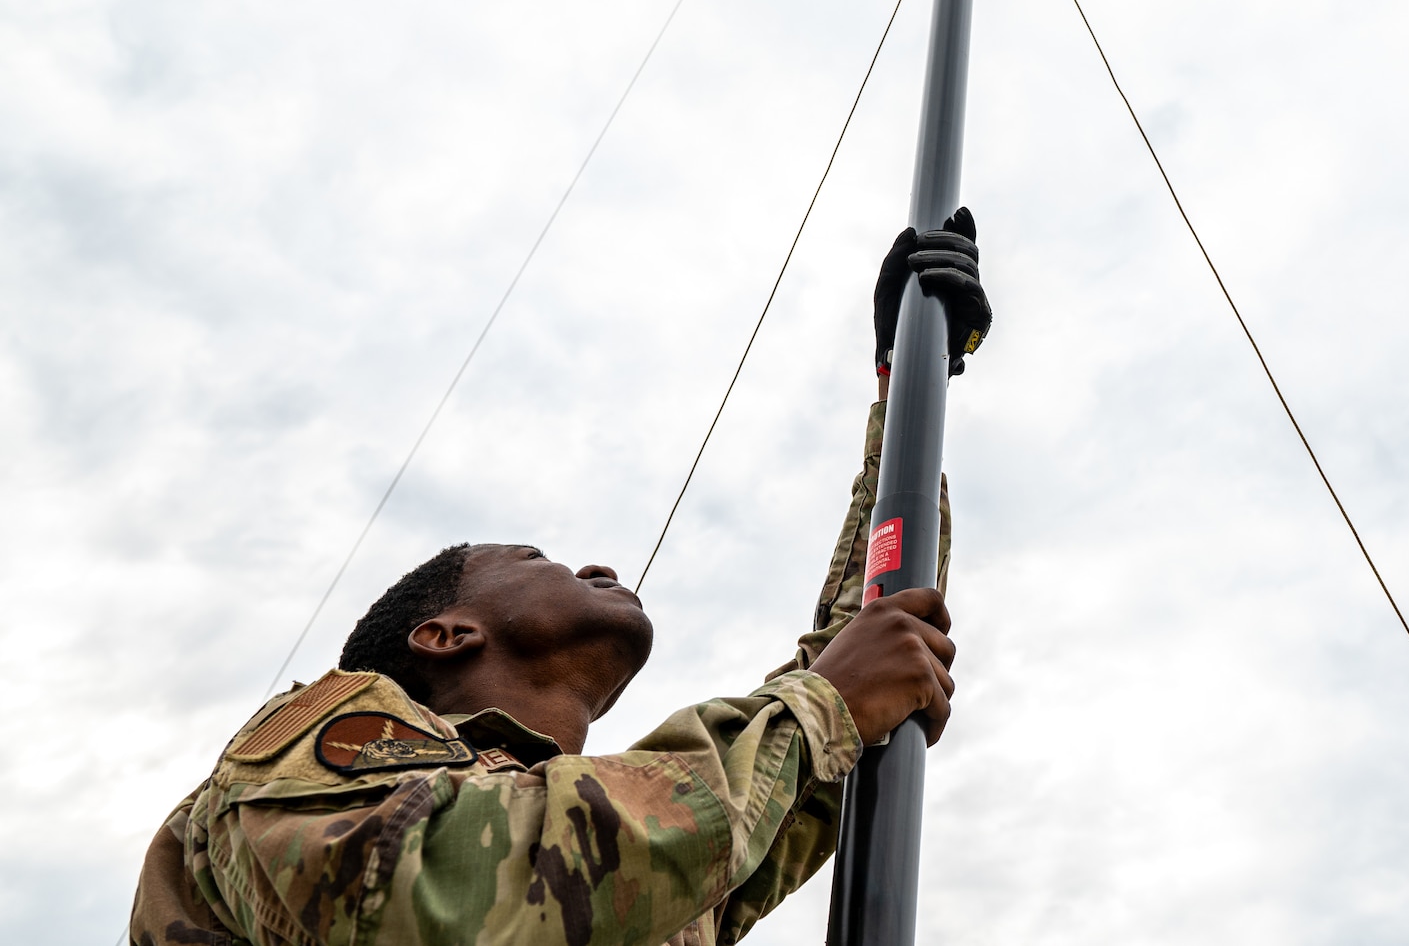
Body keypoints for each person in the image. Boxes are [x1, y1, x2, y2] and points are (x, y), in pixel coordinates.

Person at [129, 212, 994, 946]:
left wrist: (905, 383)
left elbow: (846, 701)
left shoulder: (666, 864)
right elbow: (445, 897)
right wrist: (820, 707)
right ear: (447, 631)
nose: (598, 568)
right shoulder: (324, 743)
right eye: (537, 559)